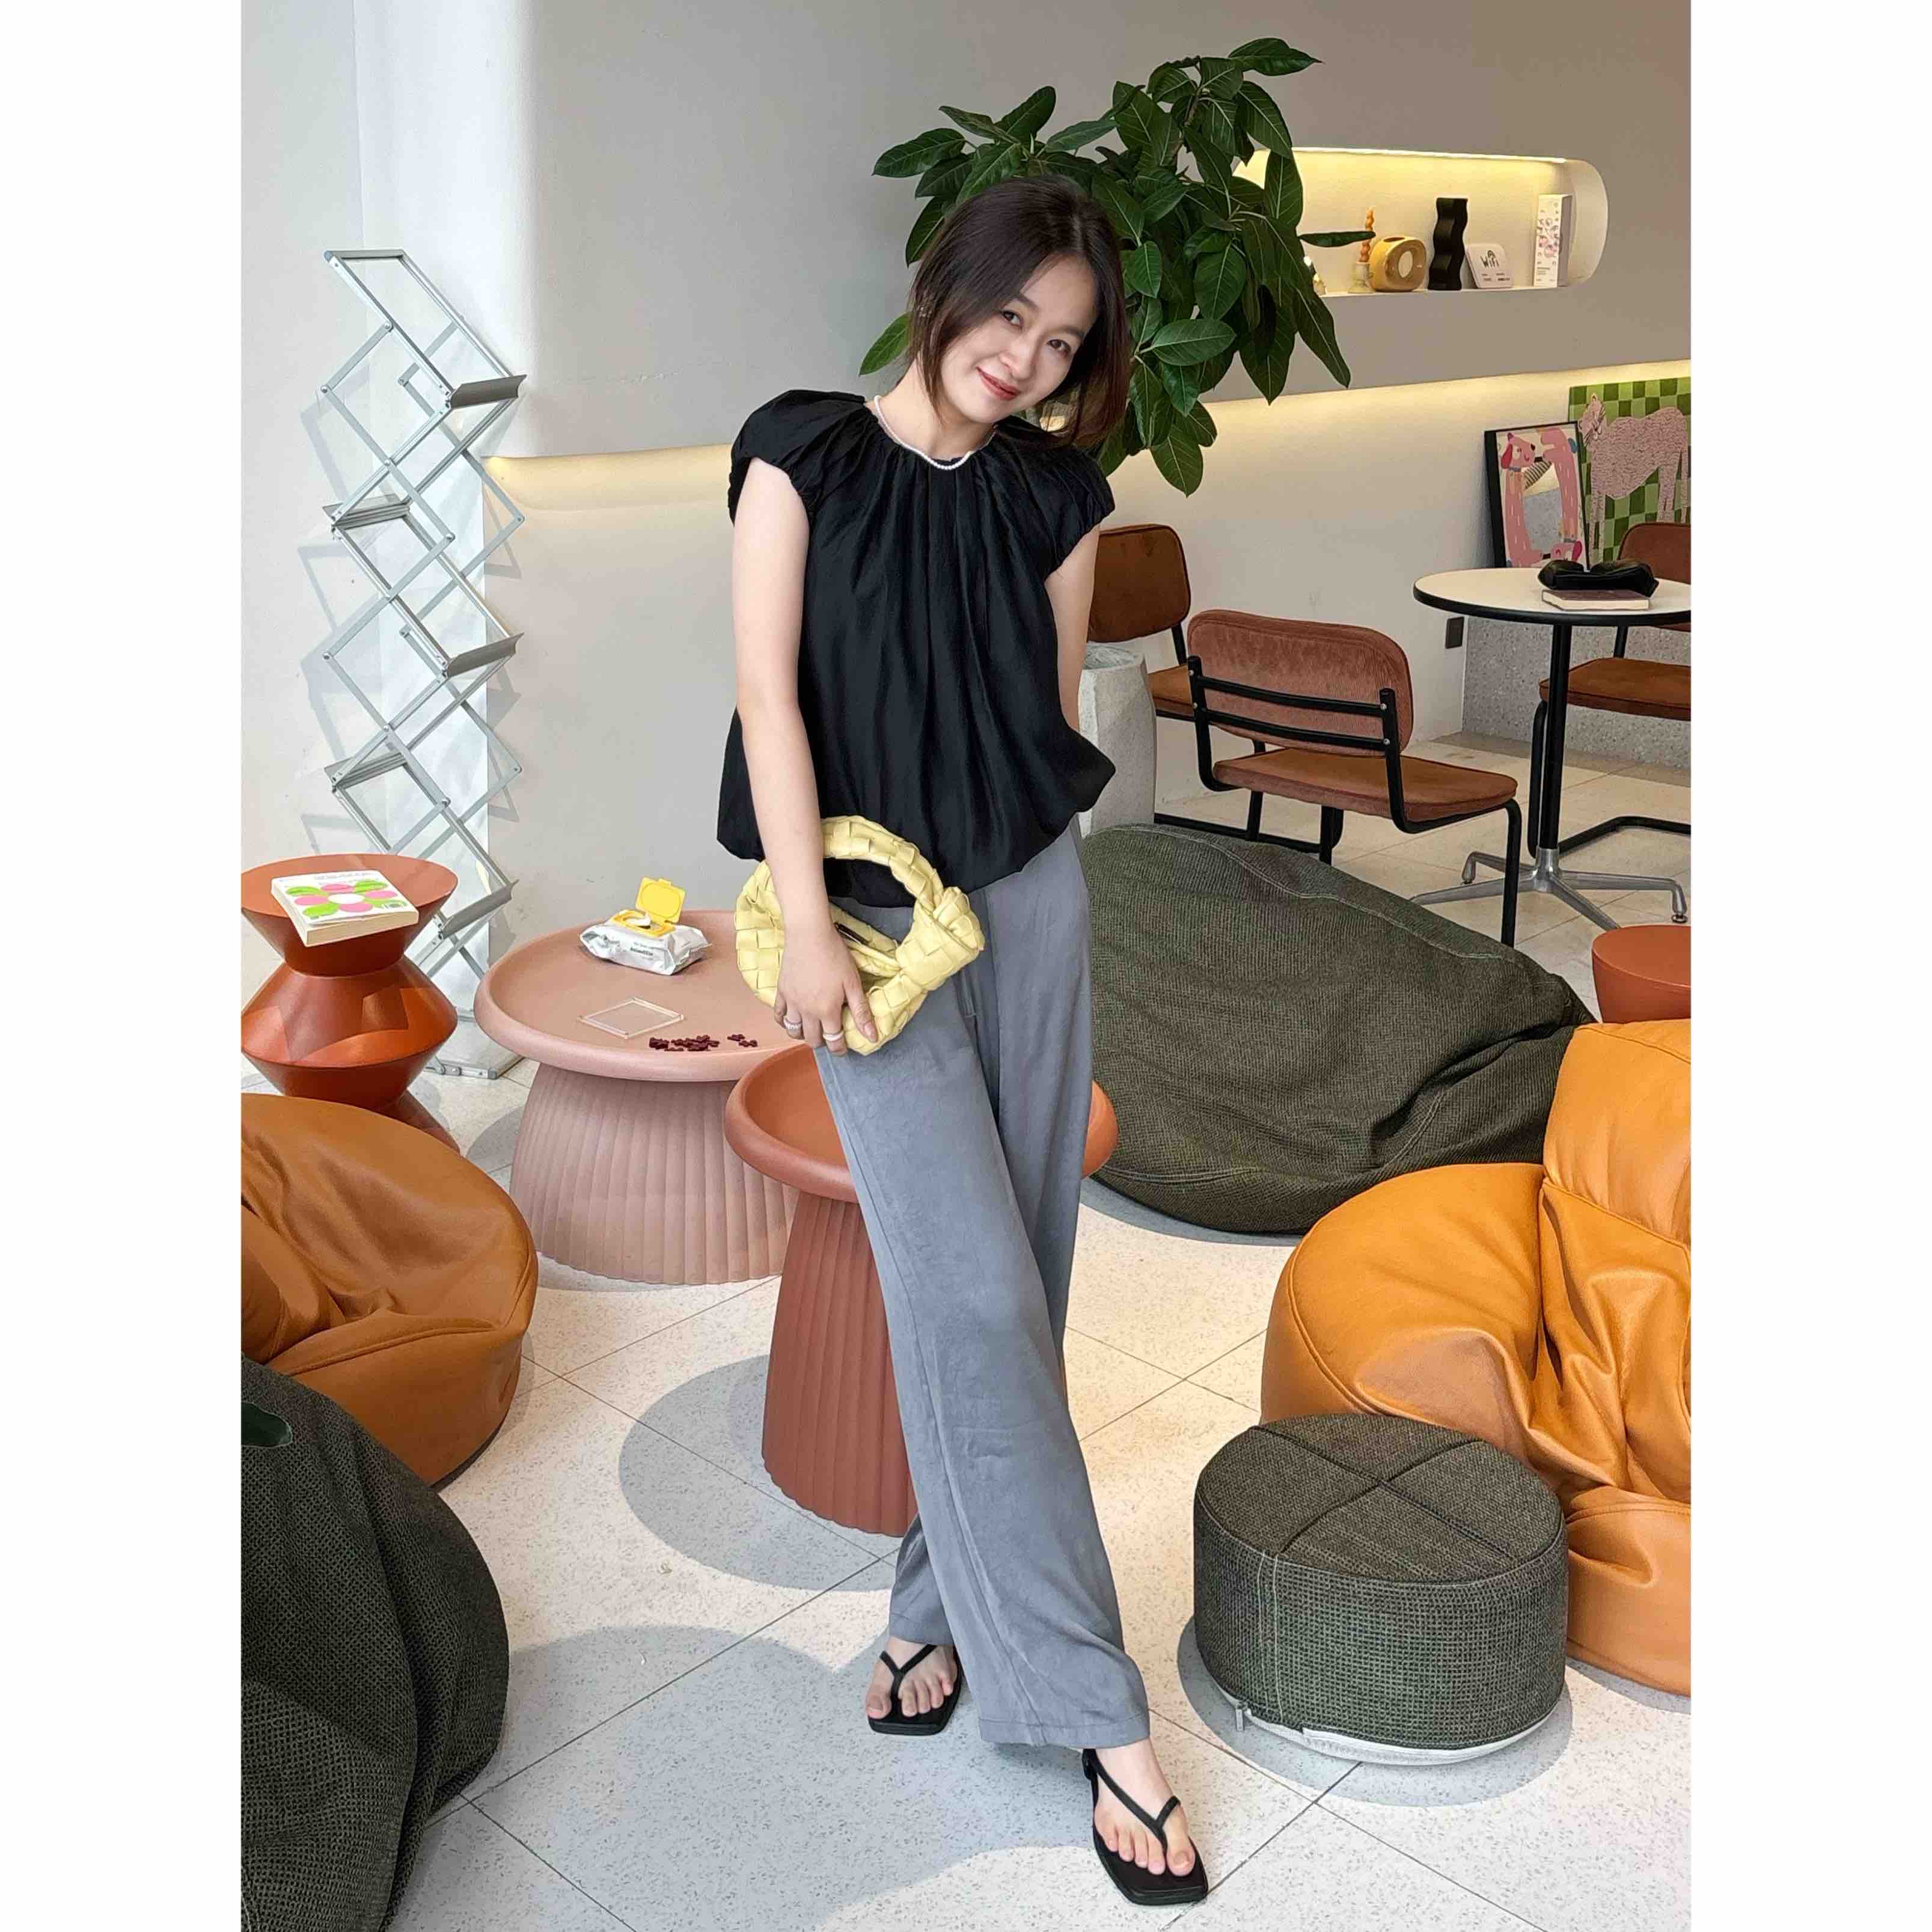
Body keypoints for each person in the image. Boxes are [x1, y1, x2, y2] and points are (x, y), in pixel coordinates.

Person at [716, 174, 1205, 1906]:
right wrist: (803, 927)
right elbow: (769, 699)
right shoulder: (799, 453)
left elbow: (1044, 723)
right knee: (975, 1295)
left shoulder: (1057, 498)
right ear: (948, 287)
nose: (1026, 359)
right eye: (1011, 316)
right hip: (864, 925)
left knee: (1026, 1280)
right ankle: (1098, 1718)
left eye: (1063, 343)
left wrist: (1029, 890)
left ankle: (935, 1607)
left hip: (1030, 903)